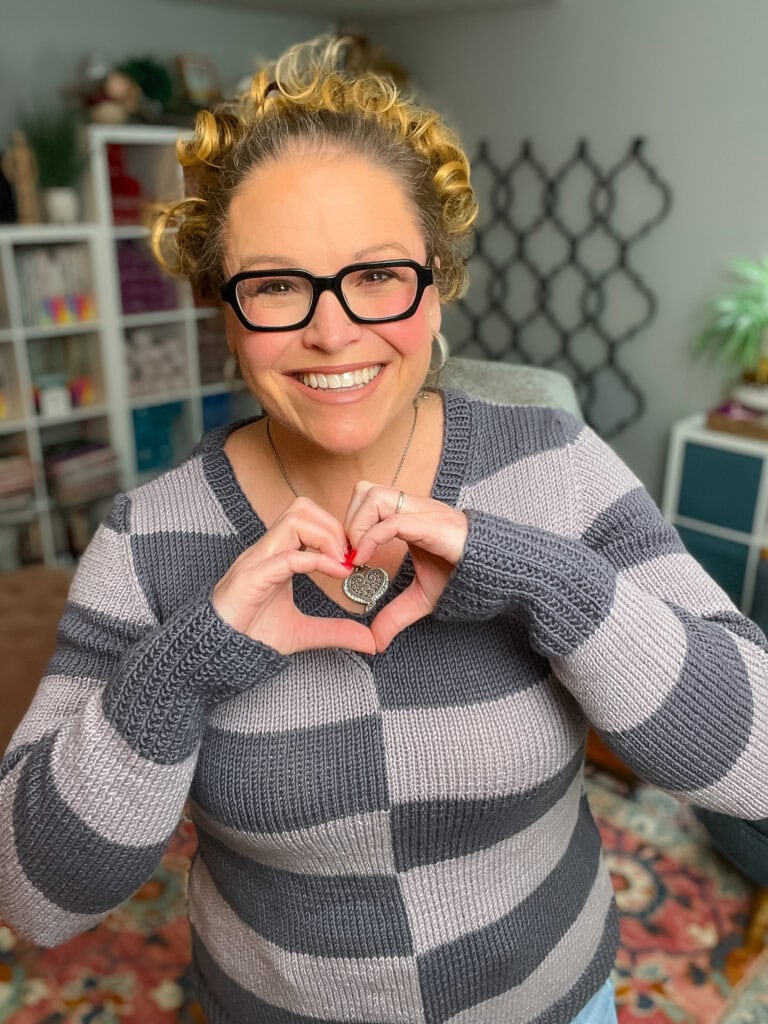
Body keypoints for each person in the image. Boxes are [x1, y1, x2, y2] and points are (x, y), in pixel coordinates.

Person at [1, 35, 767, 1024]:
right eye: (276, 285)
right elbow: (36, 897)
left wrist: (551, 583)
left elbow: (755, 754)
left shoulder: (555, 463)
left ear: (436, 280)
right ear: (223, 314)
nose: (332, 329)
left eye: (376, 275)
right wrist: (184, 661)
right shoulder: (144, 538)